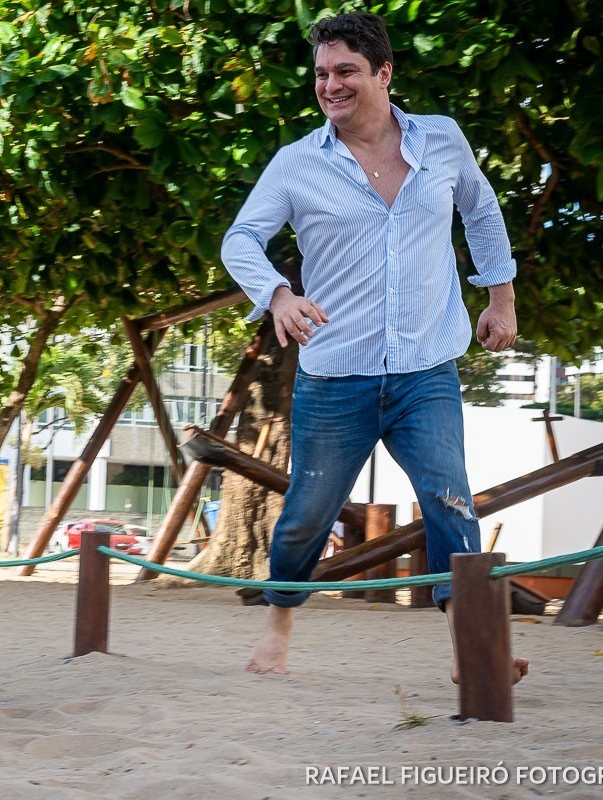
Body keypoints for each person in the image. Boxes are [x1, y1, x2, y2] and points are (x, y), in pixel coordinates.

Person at [220, 12, 528, 683]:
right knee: (306, 515)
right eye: (323, 73)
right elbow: (240, 240)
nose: (331, 85)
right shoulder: (297, 164)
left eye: (346, 71)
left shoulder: (442, 141)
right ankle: (278, 625)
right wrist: (278, 296)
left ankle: (468, 646)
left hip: (426, 367)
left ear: (384, 74)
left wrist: (500, 298)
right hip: (336, 375)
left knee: (451, 500)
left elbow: (479, 208)